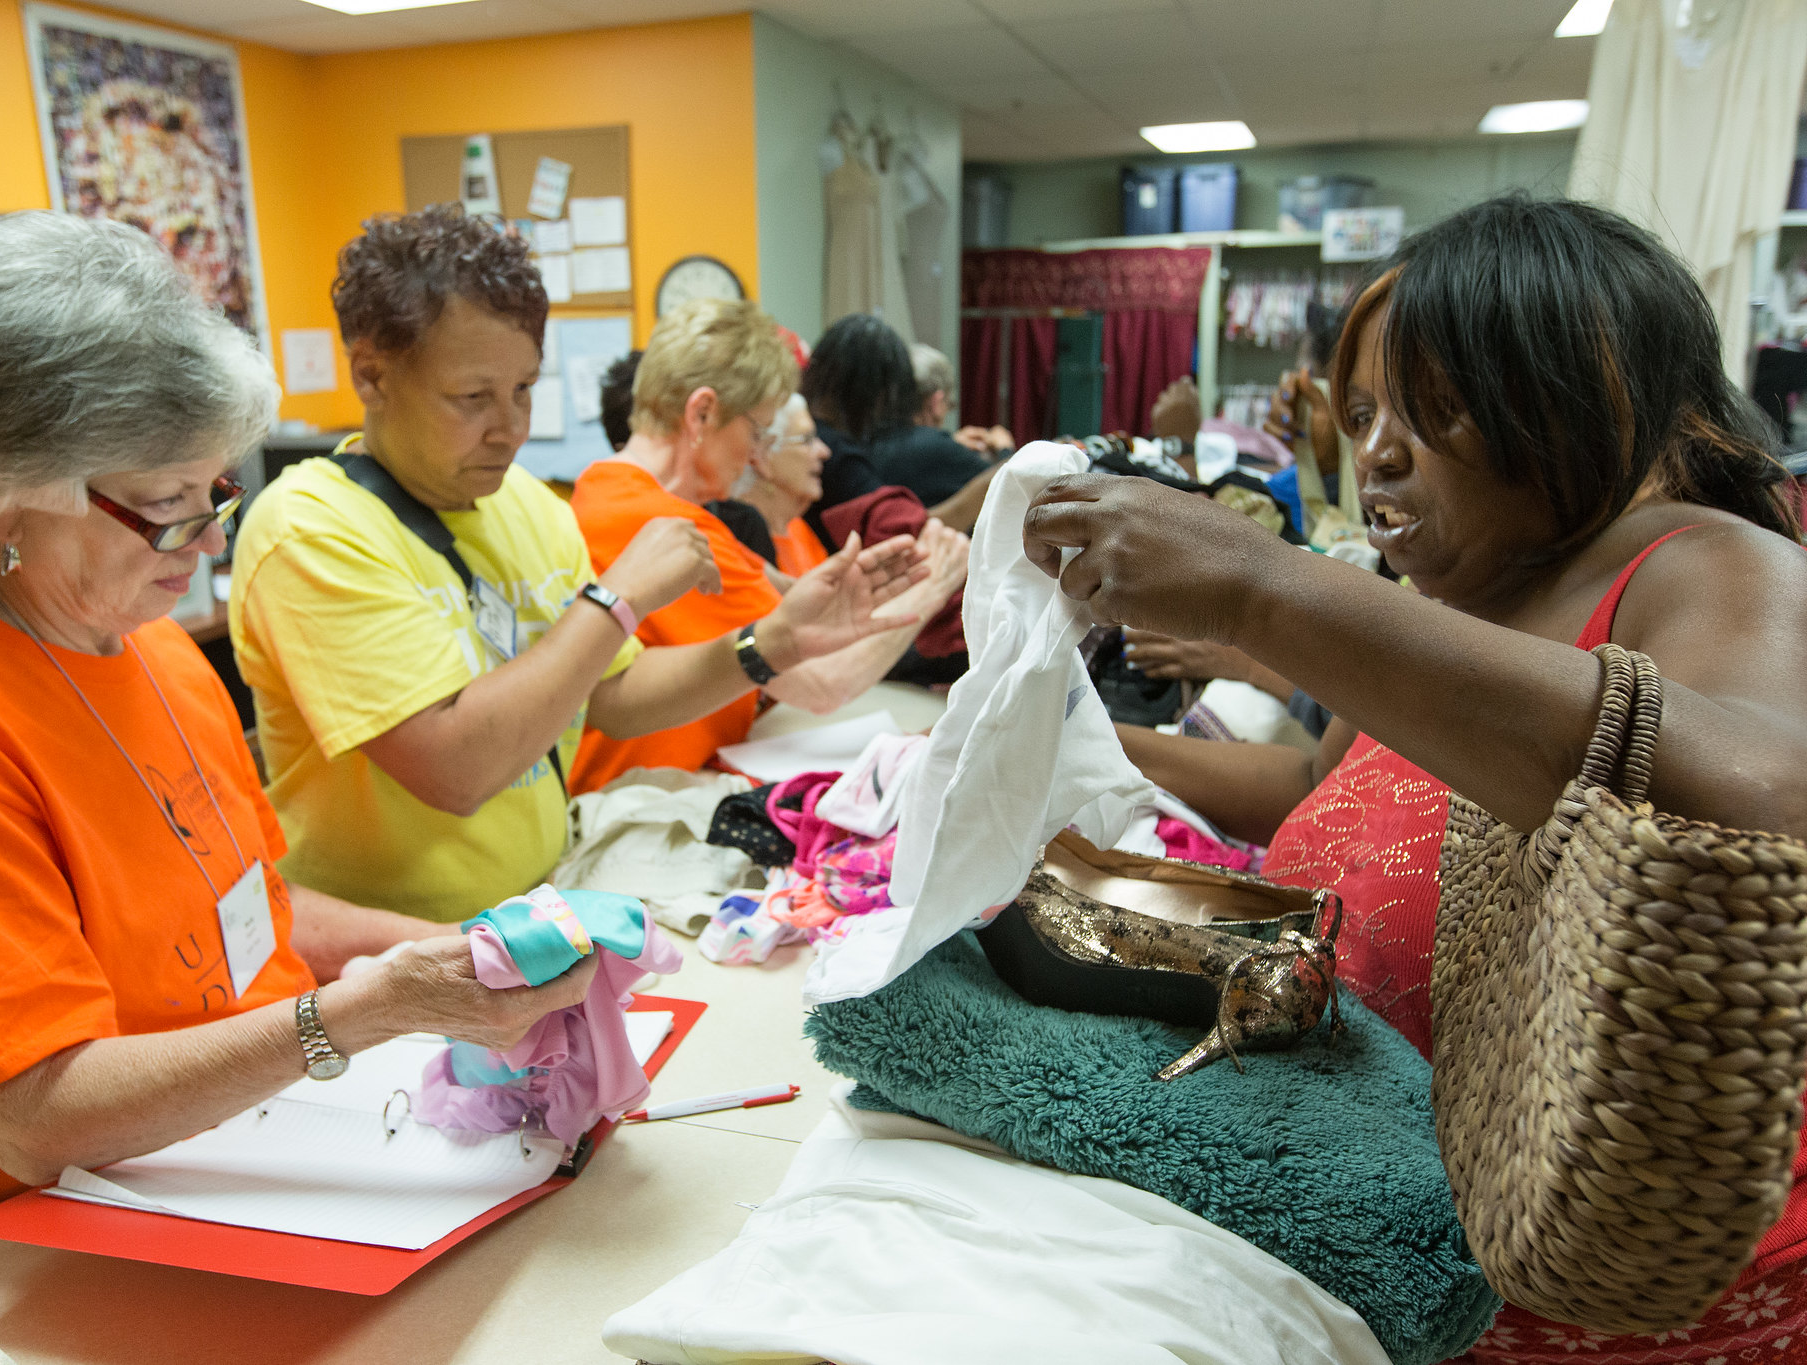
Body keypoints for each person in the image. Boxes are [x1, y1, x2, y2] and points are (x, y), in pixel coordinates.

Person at [1023, 194, 1807, 1361]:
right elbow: (1309, 782)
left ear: (1577, 387)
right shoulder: (1446, 612)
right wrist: (1075, 742)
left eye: (1432, 409)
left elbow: (1760, 801)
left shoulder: (1697, 562)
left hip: (1589, 1271)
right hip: (1402, 1233)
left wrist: (1258, 586)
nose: (1377, 450)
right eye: (1360, 412)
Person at [0, 213, 596, 1232]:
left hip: (232, 1163)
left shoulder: (150, 643)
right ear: (2, 494)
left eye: (215, 491)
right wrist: (362, 1012)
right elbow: (35, 1118)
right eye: (168, 505)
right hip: (26, 1254)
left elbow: (252, 913)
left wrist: (455, 955)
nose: (209, 543)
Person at [230, 207, 927, 922]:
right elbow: (454, 767)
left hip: (539, 902)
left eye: (524, 390)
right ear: (372, 376)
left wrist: (771, 644)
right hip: (395, 949)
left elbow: (613, 695)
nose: (510, 429)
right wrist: (616, 599)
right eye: (472, 398)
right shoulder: (309, 530)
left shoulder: (528, 505)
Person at [569, 299, 967, 792]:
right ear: (703, 414)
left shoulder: (599, 488)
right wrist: (936, 583)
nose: (758, 456)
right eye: (756, 431)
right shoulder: (668, 525)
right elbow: (821, 684)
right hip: (643, 795)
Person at [801, 315, 1000, 539]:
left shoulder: (809, 426)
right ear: (877, 392)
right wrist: (990, 482)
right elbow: (901, 531)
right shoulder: (837, 455)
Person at [727, 393, 833, 580]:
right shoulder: (735, 539)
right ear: (760, 456)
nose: (824, 452)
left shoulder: (796, 528)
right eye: (806, 440)